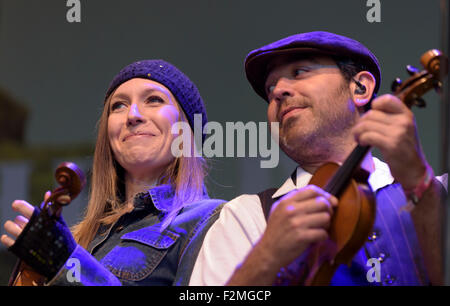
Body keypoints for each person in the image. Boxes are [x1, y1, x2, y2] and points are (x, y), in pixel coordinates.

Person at [189, 31, 448, 286]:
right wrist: (265, 257)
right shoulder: (246, 216)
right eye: (270, 89)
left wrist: (417, 180)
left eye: (300, 72)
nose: (278, 91)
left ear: (360, 87)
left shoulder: (439, 191)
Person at [1, 59, 225, 285]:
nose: (132, 115)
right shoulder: (80, 239)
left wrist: (66, 263)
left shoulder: (212, 220)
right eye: (119, 105)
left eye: (154, 100)